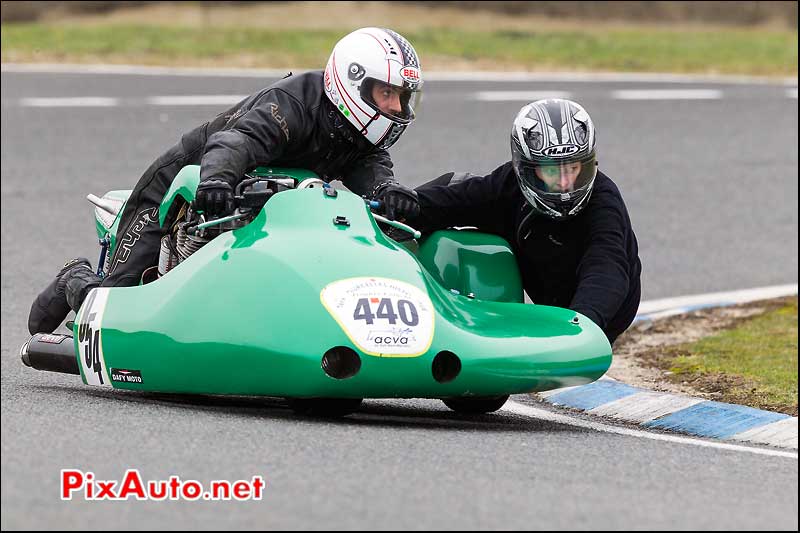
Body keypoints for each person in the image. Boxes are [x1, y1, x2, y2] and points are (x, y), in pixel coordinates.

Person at [28, 27, 423, 335]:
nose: (396, 107)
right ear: (353, 82)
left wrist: (388, 193)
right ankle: (75, 279)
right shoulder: (290, 106)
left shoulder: (352, 133)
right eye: (386, 93)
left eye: (402, 97)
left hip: (262, 203)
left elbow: (371, 168)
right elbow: (236, 141)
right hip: (181, 187)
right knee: (113, 304)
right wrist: (215, 180)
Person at [409, 98, 641, 344]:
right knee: (450, 187)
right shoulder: (508, 184)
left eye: (572, 168)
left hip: (600, 314)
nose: (564, 185)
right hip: (538, 266)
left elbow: (607, 265)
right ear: (525, 168)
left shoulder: (604, 199)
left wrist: (582, 324)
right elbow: (457, 198)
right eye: (552, 171)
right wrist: (403, 203)